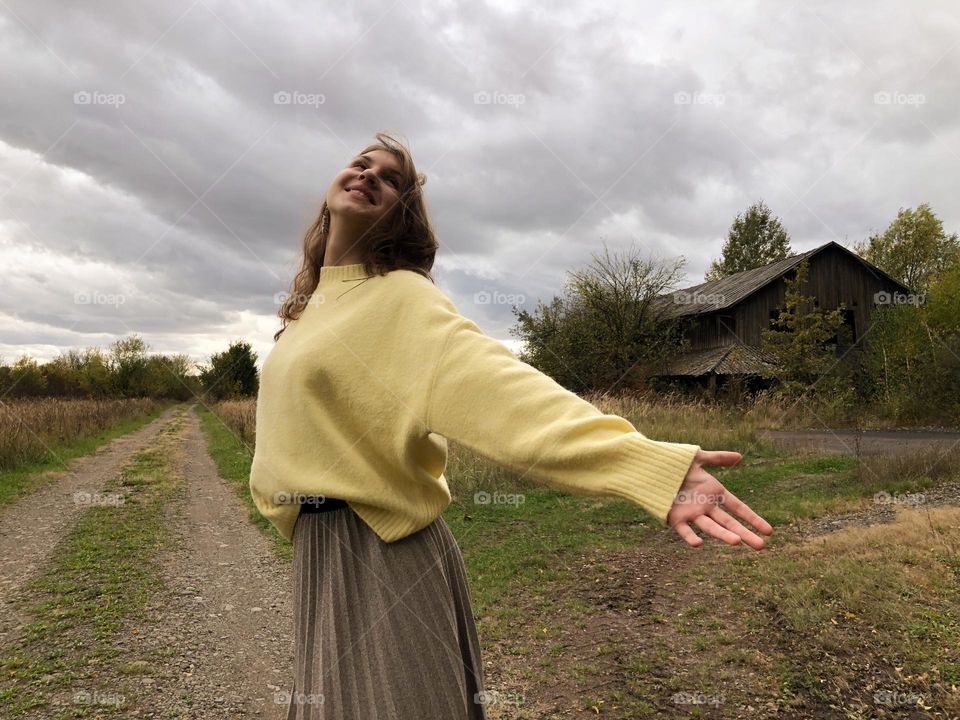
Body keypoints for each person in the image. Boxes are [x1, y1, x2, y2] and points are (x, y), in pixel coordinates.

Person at [249, 131, 773, 720]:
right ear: (331, 190)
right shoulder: (308, 311)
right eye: (361, 163)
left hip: (380, 552)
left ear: (402, 217)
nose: (369, 175)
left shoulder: (400, 299)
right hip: (320, 555)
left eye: (391, 178)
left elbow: (510, 397)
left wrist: (648, 465)